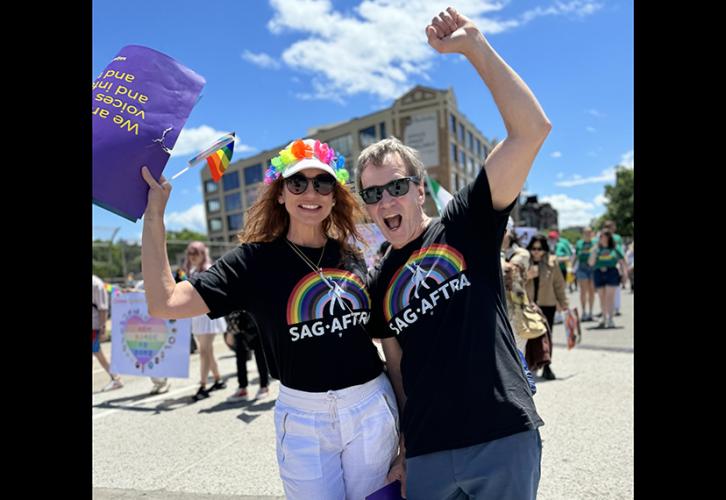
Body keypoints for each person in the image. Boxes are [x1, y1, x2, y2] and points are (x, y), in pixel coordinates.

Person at [357, 7, 550, 498]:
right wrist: (403, 444)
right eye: (373, 193)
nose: (385, 201)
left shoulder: (466, 224)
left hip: (501, 437)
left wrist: (474, 47)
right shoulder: (379, 282)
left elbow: (530, 130)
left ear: (420, 189)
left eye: (396, 186)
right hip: (426, 453)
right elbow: (396, 369)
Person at [140, 137, 399, 500]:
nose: (311, 191)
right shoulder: (252, 262)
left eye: (322, 182)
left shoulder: (351, 257)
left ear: (333, 194)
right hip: (304, 419)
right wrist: (154, 217)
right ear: (280, 193)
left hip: (370, 407)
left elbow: (386, 336)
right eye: (298, 182)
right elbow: (164, 302)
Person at [182, 241, 229, 401]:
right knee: (207, 351)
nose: (193, 256)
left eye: (196, 253)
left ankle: (202, 385)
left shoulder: (208, 268)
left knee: (204, 351)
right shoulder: (192, 270)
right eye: (190, 253)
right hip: (197, 316)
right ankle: (217, 379)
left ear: (203, 253)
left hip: (208, 315)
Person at [525, 235, 569, 380]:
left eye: (540, 249)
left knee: (547, 337)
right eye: (533, 248)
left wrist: (563, 302)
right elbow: (515, 282)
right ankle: (529, 365)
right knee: (528, 335)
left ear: (544, 249)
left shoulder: (552, 262)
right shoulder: (524, 261)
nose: (536, 252)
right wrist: (527, 276)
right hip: (529, 304)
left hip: (547, 304)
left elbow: (559, 284)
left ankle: (547, 366)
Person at [226, 309, 271, 402]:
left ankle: (264, 386)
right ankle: (242, 389)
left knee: (260, 357)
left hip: (255, 323)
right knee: (240, 359)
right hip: (238, 327)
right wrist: (229, 330)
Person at [588, 229, 628, 328]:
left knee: (610, 297)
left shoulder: (615, 248)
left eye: (604, 236)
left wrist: (625, 274)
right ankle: (604, 318)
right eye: (600, 236)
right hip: (598, 272)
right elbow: (591, 263)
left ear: (609, 238)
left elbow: (622, 261)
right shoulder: (596, 249)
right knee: (602, 297)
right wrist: (594, 251)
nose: (602, 238)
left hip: (612, 272)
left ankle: (610, 319)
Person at [92, 274, 123, 391]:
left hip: (94, 325)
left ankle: (116, 378)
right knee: (97, 352)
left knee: (97, 352)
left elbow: (103, 308)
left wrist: (103, 327)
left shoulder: (96, 284)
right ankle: (115, 377)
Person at [575, 227, 596, 321]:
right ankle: (583, 312)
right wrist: (571, 268)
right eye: (585, 233)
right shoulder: (579, 243)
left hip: (593, 267)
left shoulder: (595, 242)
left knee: (591, 291)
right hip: (582, 267)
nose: (587, 234)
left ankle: (591, 312)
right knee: (583, 291)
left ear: (592, 233)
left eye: (589, 232)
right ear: (583, 234)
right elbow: (575, 256)